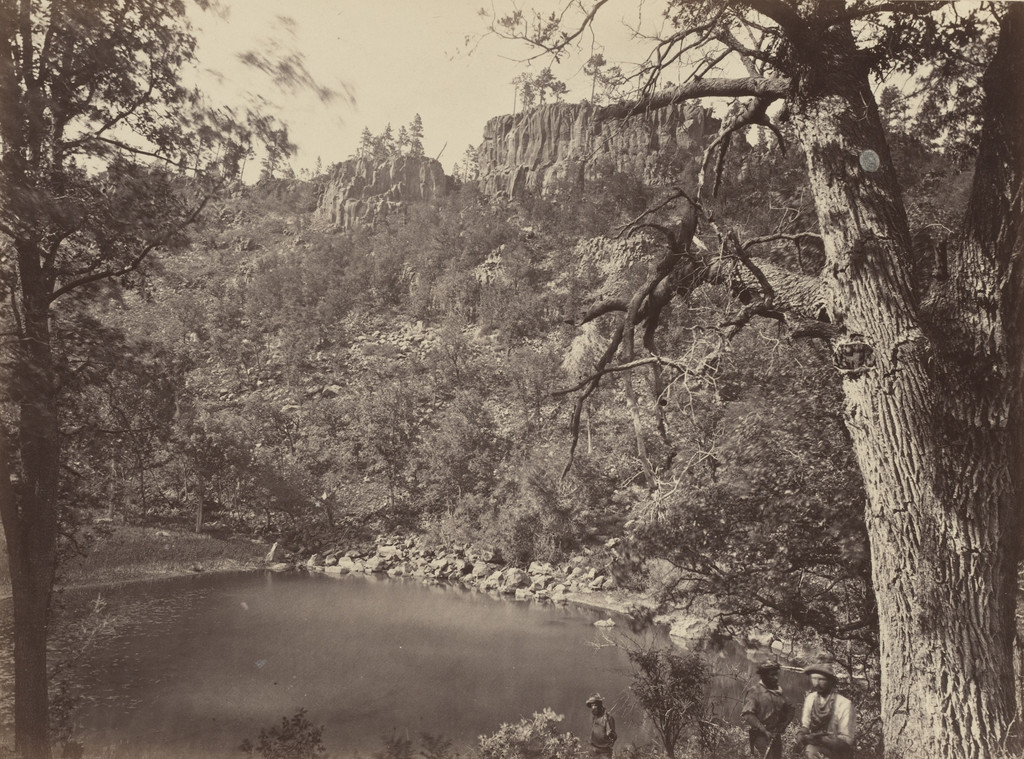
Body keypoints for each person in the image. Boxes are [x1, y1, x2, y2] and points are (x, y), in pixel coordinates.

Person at [794, 661, 855, 758]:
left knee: (811, 750)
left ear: (831, 681)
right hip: (814, 746)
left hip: (837, 753)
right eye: (814, 678)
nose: (817, 683)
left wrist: (821, 739)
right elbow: (806, 725)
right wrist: (801, 734)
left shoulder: (844, 704)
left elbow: (847, 742)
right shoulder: (810, 699)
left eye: (822, 679)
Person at [740, 654, 794, 759]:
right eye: (772, 675)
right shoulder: (755, 691)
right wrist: (764, 730)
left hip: (775, 736)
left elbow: (790, 709)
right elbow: (748, 714)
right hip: (760, 736)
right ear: (764, 676)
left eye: (776, 674)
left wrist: (782, 726)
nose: (776, 678)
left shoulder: (778, 692)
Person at [585, 693, 617, 758]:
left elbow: (614, 737)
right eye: (592, 705)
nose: (593, 708)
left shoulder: (608, 718)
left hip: (604, 752)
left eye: (595, 705)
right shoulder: (595, 717)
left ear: (600, 705)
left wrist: (611, 734)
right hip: (593, 750)